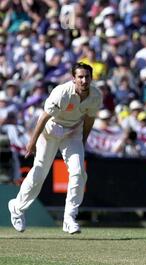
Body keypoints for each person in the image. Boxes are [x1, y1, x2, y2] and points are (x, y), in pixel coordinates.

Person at [8, 62, 102, 234]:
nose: (83, 80)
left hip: (73, 133)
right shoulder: (62, 92)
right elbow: (44, 117)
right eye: (80, 77)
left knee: (79, 172)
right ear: (74, 79)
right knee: (40, 172)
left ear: (91, 78)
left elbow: (89, 119)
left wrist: (83, 141)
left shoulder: (96, 95)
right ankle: (17, 208)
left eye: (87, 77)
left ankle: (69, 218)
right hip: (51, 130)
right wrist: (32, 141)